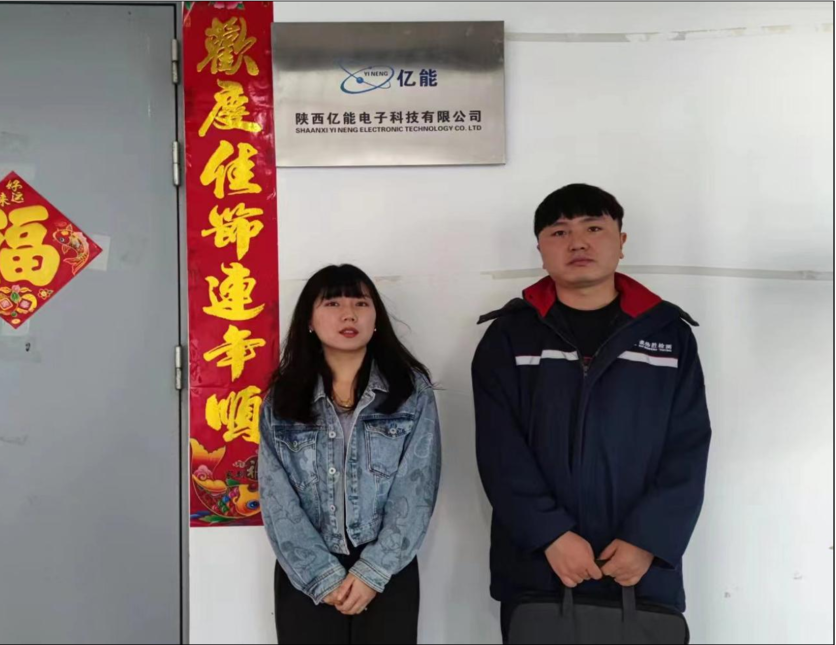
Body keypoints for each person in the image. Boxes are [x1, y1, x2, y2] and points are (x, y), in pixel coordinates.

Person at [472, 183, 711, 641]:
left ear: (622, 242)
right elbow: (500, 451)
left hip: (639, 570)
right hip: (540, 567)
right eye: (559, 232)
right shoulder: (509, 337)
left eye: (594, 228)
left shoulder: (669, 336)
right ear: (540, 249)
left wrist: (648, 539)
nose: (578, 242)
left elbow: (688, 447)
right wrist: (550, 535)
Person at [259, 264, 441, 645]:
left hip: (388, 572)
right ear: (309, 320)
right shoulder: (282, 399)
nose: (349, 314)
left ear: (376, 318)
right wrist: (321, 576)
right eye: (333, 303)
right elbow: (276, 498)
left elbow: (417, 487)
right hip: (306, 575)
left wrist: (373, 571)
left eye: (361, 303)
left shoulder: (411, 392)